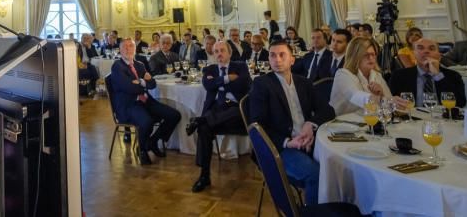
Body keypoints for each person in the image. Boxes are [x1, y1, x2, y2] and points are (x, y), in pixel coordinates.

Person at [246, 41, 335, 205]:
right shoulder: (262, 84)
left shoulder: (304, 83)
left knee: (337, 167)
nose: (277, 60)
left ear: (292, 60)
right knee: (315, 175)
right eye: (272, 55)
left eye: (282, 55)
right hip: (280, 147)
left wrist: (311, 125)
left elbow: (328, 110)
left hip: (309, 140)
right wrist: (288, 142)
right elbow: (257, 125)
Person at [189, 41, 252, 192]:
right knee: (204, 129)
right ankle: (204, 176)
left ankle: (200, 120)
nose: (219, 54)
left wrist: (218, 83)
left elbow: (245, 85)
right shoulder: (209, 68)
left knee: (227, 114)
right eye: (216, 51)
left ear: (229, 53)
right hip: (216, 109)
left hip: (236, 110)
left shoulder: (241, 66)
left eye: (222, 50)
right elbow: (208, 85)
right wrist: (227, 79)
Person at [109, 39, 181, 165]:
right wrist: (144, 82)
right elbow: (128, 88)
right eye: (124, 47)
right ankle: (141, 149)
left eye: (130, 46)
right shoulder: (117, 66)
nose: (127, 49)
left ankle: (152, 142)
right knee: (147, 121)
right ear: (120, 50)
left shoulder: (139, 65)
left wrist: (140, 82)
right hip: (128, 105)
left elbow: (152, 84)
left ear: (135, 49)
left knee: (174, 115)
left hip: (145, 101)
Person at [329, 37, 404, 115]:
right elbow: (356, 96)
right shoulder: (343, 74)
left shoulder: (376, 75)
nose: (371, 58)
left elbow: (390, 103)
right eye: (366, 55)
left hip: (368, 122)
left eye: (373, 54)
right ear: (355, 56)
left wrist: (382, 94)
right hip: (341, 123)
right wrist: (381, 99)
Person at [389, 38, 467, 107]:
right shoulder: (399, 76)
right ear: (414, 54)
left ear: (439, 55)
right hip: (412, 120)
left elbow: (460, 103)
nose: (426, 51)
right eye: (420, 48)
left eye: (431, 49)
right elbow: (391, 103)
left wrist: (437, 75)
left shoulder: (453, 76)